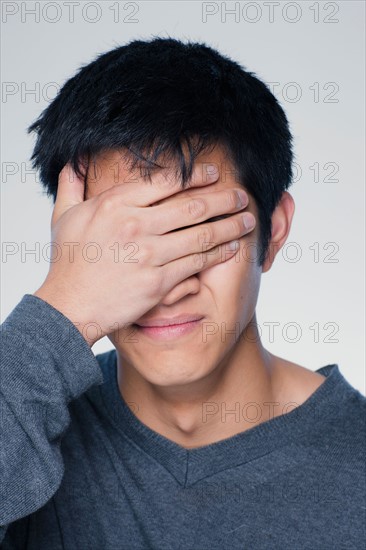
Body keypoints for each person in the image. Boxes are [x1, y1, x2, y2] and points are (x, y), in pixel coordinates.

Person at [0, 37, 364, 549]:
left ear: (274, 231)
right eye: (132, 241)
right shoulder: (25, 429)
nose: (167, 285)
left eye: (204, 231)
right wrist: (61, 313)